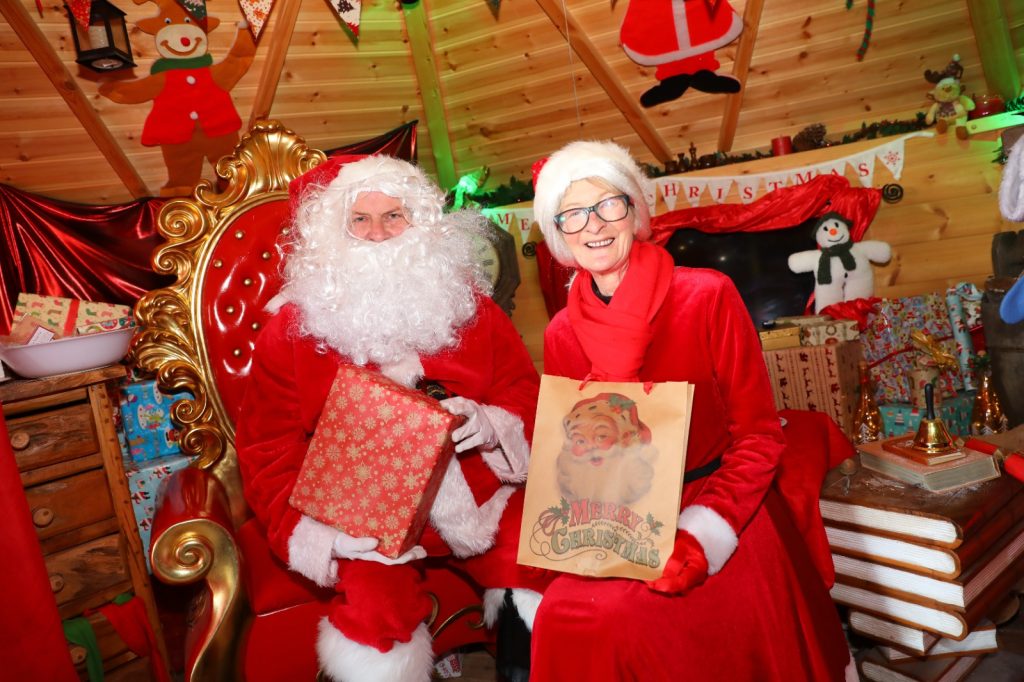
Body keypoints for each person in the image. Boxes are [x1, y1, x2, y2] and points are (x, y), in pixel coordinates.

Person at [530, 140, 856, 681]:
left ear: (635, 211)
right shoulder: (561, 333)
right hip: (619, 515)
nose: (594, 225)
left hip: (720, 505)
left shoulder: (706, 295)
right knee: (562, 616)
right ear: (557, 235)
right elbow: (577, 452)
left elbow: (759, 435)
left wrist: (705, 533)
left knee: (631, 618)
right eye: (572, 215)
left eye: (609, 204)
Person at [234, 155, 544, 682]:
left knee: (538, 568)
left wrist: (495, 425)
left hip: (479, 496)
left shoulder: (470, 306)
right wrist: (319, 535)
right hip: (362, 519)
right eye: (359, 219)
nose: (377, 234)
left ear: (420, 224)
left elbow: (523, 389)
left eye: (394, 216)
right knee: (375, 613)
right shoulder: (291, 329)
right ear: (336, 231)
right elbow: (268, 448)